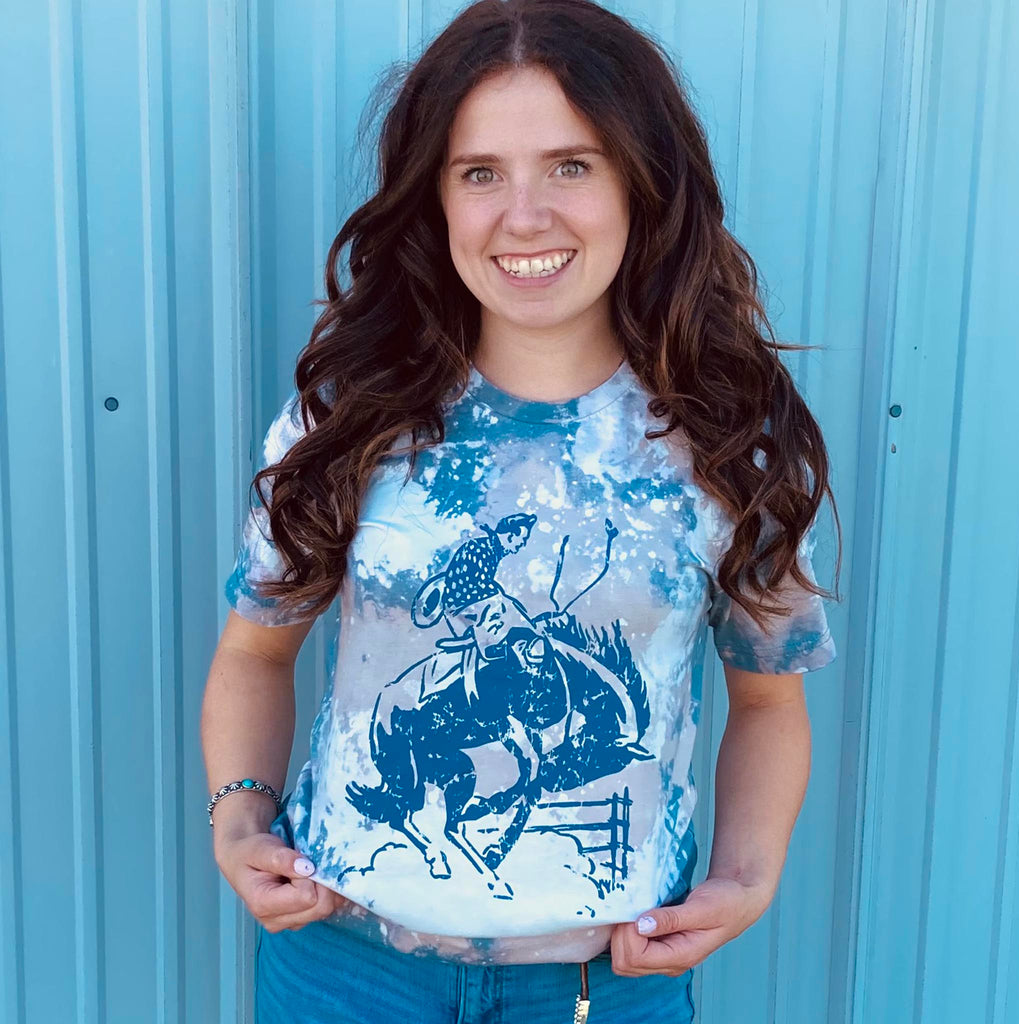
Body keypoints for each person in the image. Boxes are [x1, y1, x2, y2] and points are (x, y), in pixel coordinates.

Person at [200, 1, 842, 1021]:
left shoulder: (728, 439)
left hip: (602, 986)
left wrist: (746, 877)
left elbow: (767, 702)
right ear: (436, 199)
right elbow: (254, 651)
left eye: (570, 166)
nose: (525, 215)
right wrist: (240, 818)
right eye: (480, 173)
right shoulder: (351, 414)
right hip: (345, 971)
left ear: (641, 184)